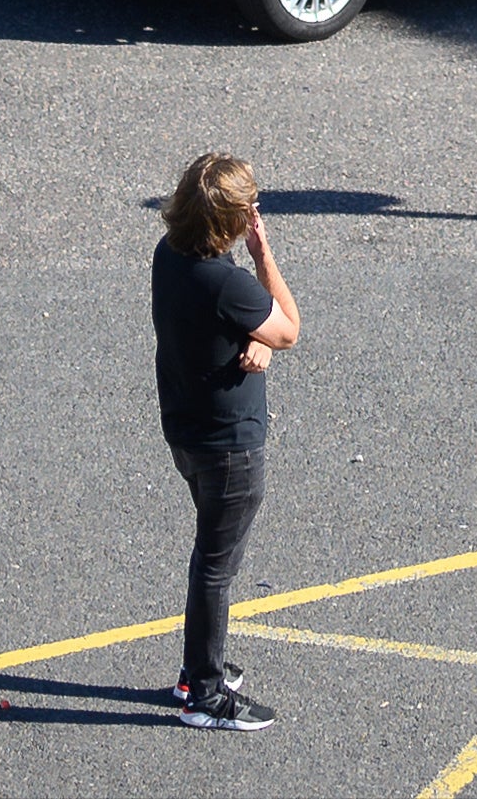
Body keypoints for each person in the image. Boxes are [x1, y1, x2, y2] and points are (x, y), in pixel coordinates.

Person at [152, 151, 297, 734]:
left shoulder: (170, 257)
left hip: (185, 429)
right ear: (233, 221)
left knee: (211, 558)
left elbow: (234, 328)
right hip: (229, 448)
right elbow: (288, 327)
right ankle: (202, 692)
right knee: (215, 567)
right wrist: (263, 253)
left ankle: (202, 668)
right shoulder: (229, 282)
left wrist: (252, 338)